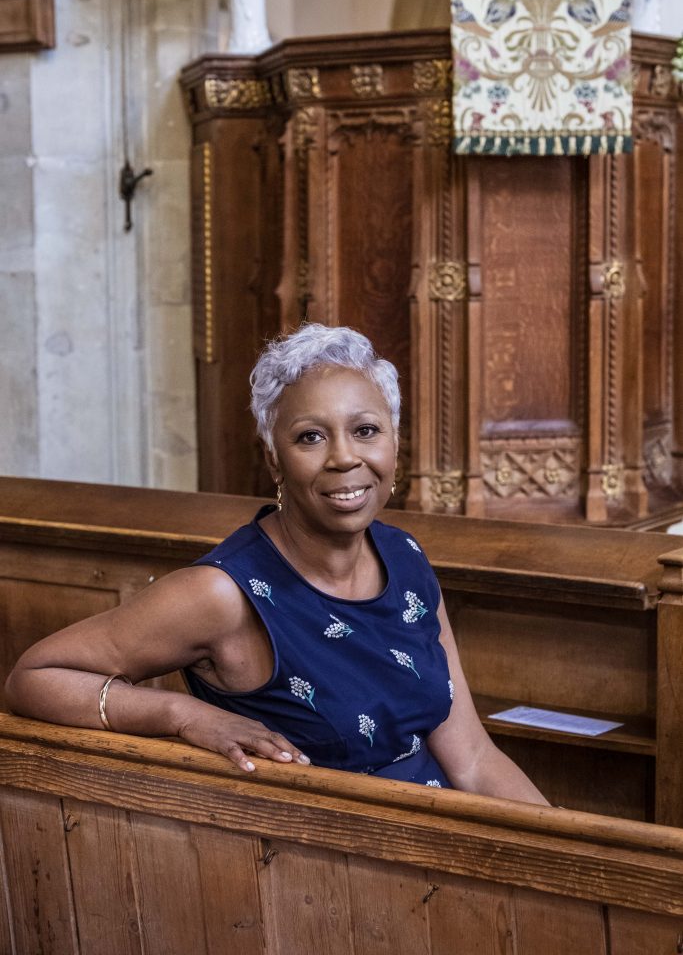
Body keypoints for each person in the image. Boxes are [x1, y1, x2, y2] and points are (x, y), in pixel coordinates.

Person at [6, 323, 547, 803]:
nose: (343, 457)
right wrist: (185, 715)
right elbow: (35, 678)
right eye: (311, 436)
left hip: (451, 836)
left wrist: (564, 852)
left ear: (394, 444)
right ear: (274, 459)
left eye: (365, 430)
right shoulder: (222, 594)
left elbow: (472, 758)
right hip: (324, 873)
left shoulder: (406, 558)